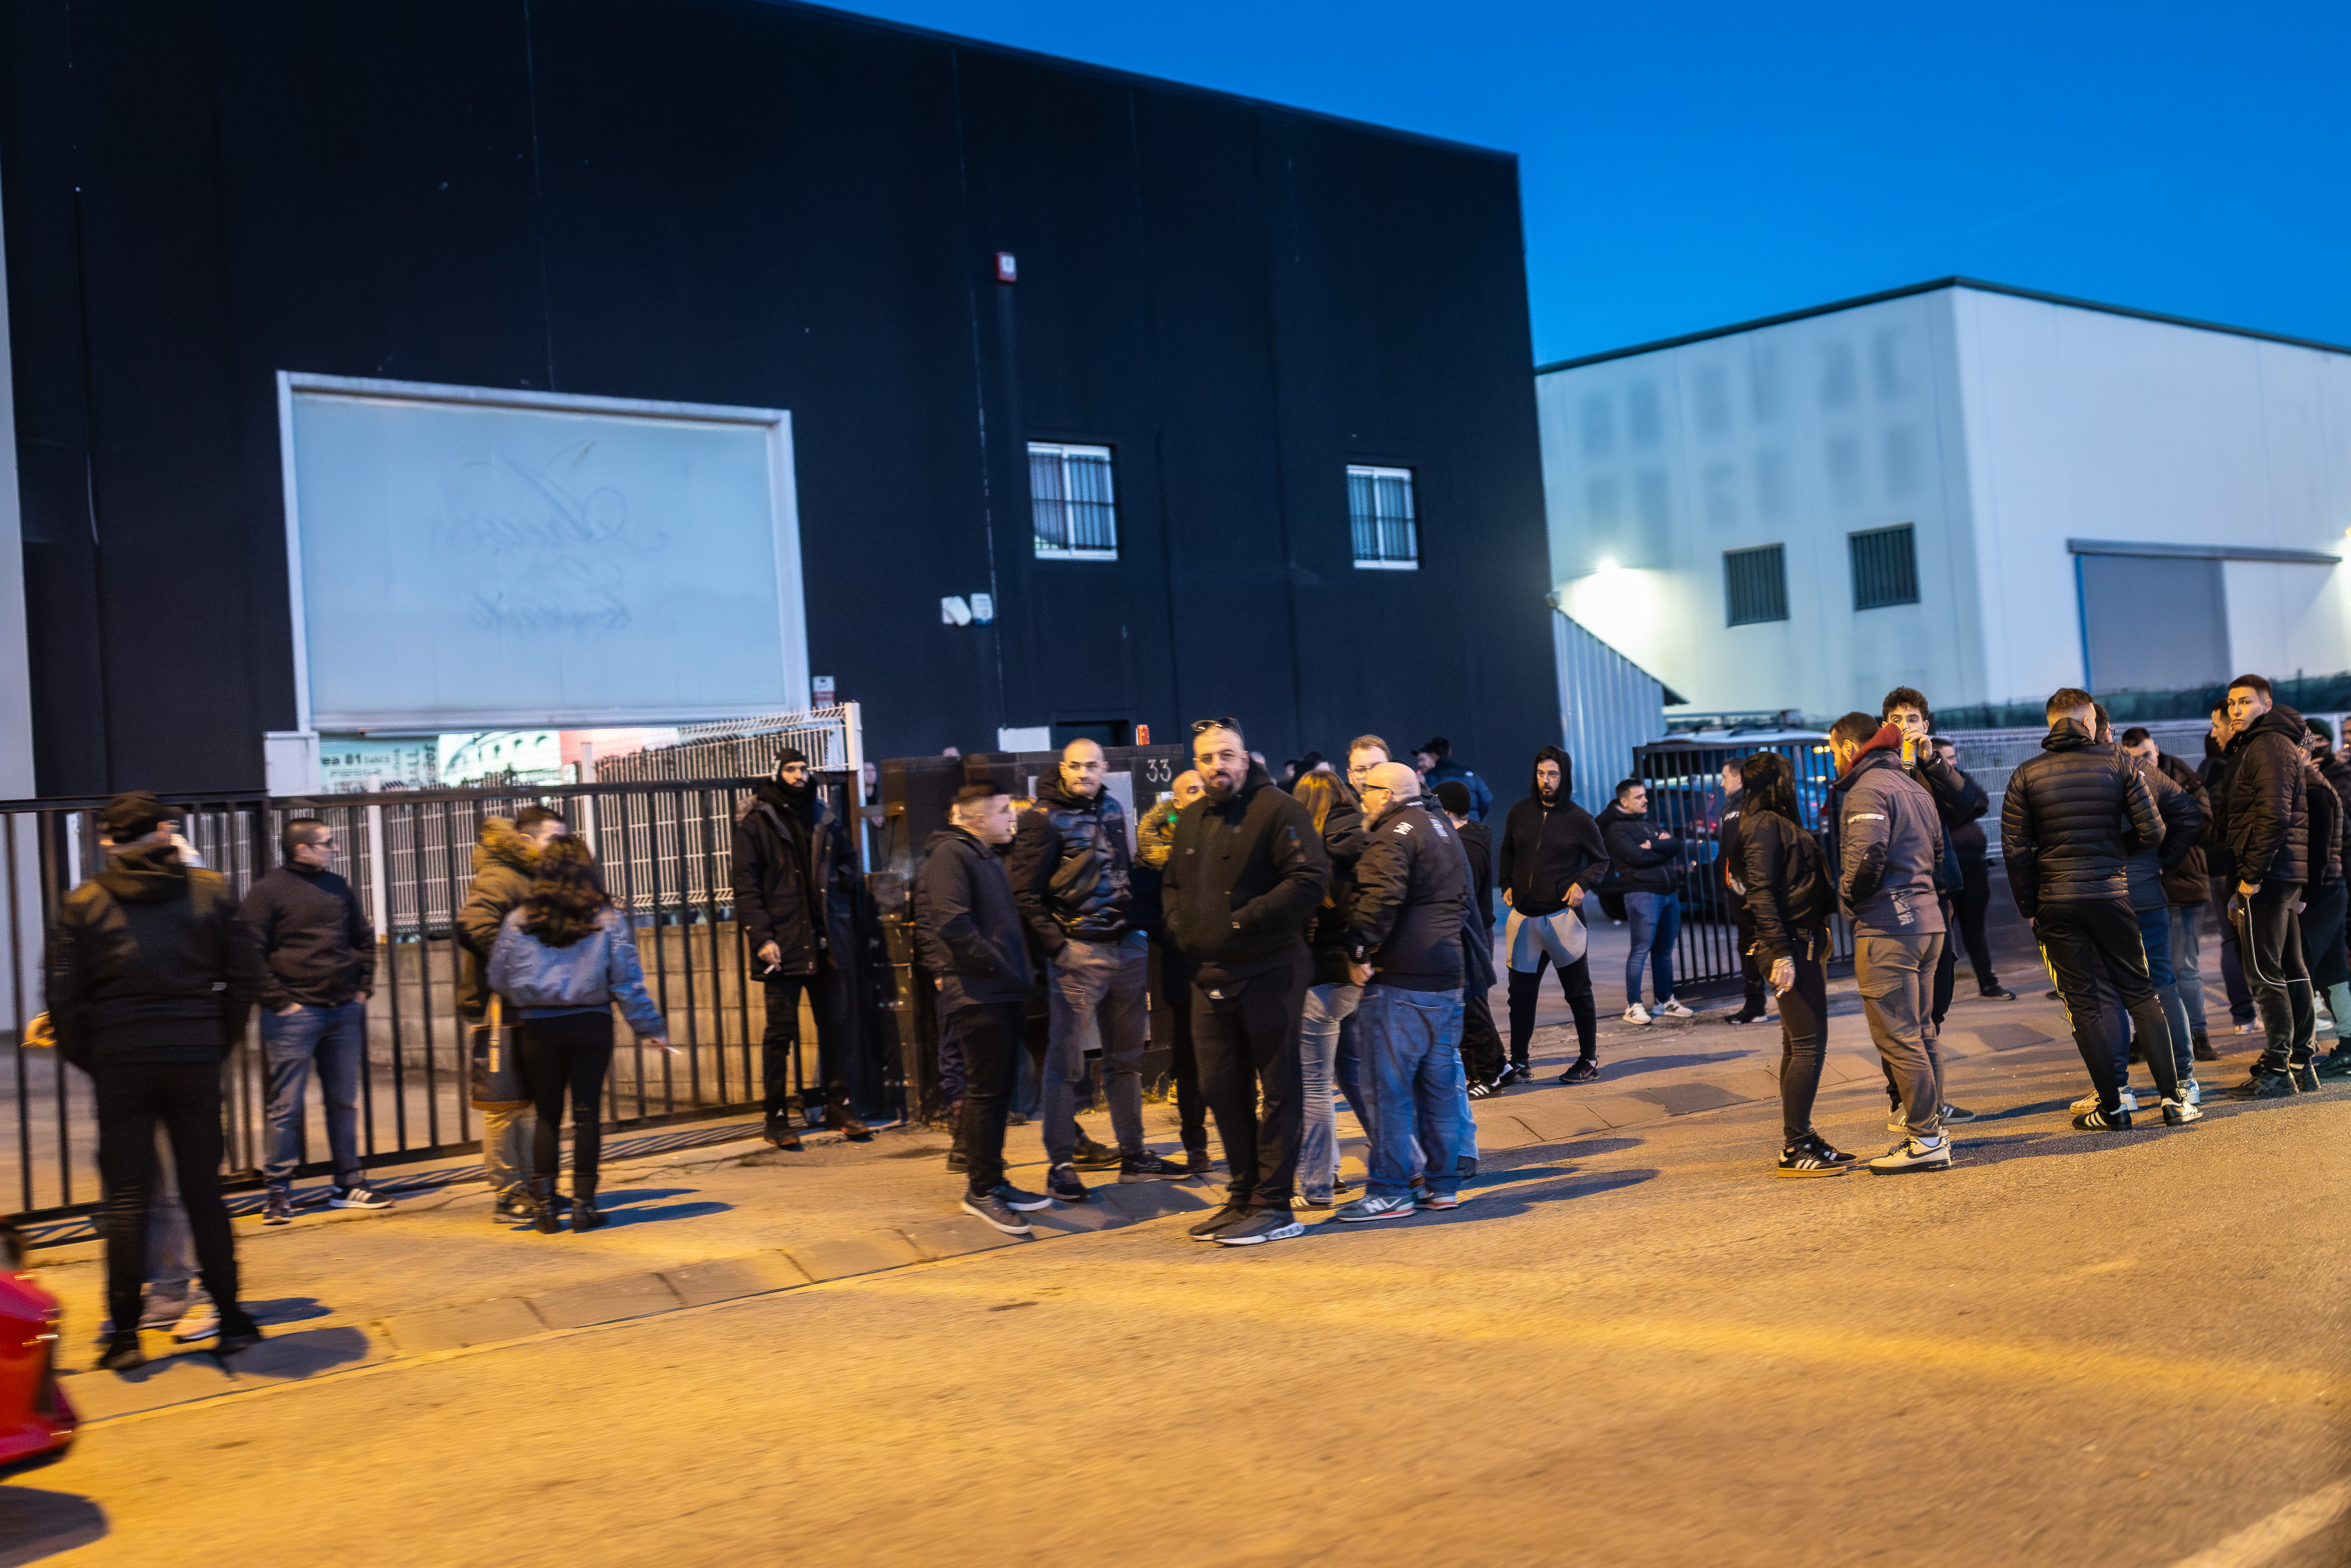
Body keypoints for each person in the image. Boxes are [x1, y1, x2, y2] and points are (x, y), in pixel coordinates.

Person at [46, 793, 266, 1370]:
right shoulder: (211, 890)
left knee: (126, 1197)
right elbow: (246, 977)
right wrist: (219, 1041)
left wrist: (92, 1056)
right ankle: (233, 1318)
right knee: (203, 1191)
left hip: (121, 1056)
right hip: (194, 1051)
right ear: (166, 830)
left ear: (109, 839)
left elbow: (63, 997)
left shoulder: (84, 901)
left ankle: (123, 1334)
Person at [1163, 720, 1331, 1247]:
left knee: (1279, 1089)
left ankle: (1274, 1205)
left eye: (1227, 755)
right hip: (1207, 975)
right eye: (1208, 758)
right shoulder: (1190, 817)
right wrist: (1183, 929)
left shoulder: (1280, 810)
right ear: (1197, 764)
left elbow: (1309, 880)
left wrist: (1240, 920)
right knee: (1219, 1086)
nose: (1218, 766)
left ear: (1246, 758)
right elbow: (1172, 884)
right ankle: (1242, 1196)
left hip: (1271, 969)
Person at [1006, 739, 1191, 1203]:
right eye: (1075, 765)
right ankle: (1061, 1164)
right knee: (1065, 1065)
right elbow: (1023, 893)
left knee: (1126, 1060)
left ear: (1104, 767)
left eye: (1092, 765)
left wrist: (1140, 931)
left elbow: (1123, 870)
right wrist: (1059, 949)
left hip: (1126, 946)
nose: (1084, 772)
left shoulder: (1111, 805)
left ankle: (1134, 1153)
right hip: (1079, 950)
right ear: (1063, 767)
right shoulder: (1041, 817)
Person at [2000, 689, 2190, 1128]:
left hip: (2056, 900)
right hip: (2111, 894)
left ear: (2051, 723)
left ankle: (2113, 1108)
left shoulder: (2025, 774)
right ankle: (2173, 1101)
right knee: (2141, 993)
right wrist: (2111, 855)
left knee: (2084, 1004)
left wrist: (2030, 904)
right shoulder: (2120, 763)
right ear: (2090, 720)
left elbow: (2015, 849)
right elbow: (2154, 830)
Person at [489, 837, 670, 1232]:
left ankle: (545, 1208)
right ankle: (584, 1205)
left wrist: (532, 994)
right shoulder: (606, 918)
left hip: (538, 1026)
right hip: (591, 1023)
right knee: (587, 1114)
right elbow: (627, 981)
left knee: (547, 1116)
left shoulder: (519, 919)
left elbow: (499, 976)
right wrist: (650, 1027)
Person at [1335, 763, 1476, 1220]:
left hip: (1401, 984)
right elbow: (1465, 900)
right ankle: (1442, 1186)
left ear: (1386, 794)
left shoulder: (1393, 834)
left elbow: (1379, 896)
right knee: (1438, 1088)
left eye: (1366, 791)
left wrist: (1358, 949)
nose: (1361, 800)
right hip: (1447, 979)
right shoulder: (1440, 826)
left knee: (1389, 1092)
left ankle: (1390, 1191)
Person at [915, 784, 1054, 1234]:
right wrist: (1001, 968)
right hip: (980, 993)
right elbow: (952, 923)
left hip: (998, 991)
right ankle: (981, 1190)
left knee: (997, 1093)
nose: (1012, 818)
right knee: (985, 1092)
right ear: (977, 820)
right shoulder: (951, 856)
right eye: (1002, 811)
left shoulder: (981, 854)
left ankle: (994, 1180)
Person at [238, 817, 391, 1223]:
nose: (334, 848)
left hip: (343, 1009)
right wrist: (279, 1001)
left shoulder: (338, 886)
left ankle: (348, 1182)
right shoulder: (267, 891)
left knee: (343, 1101)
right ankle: (279, 1190)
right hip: (294, 1013)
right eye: (327, 843)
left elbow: (362, 937)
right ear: (301, 848)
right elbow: (248, 951)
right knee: (286, 1105)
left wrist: (363, 987)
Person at [731, 747, 869, 1150]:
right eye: (791, 769)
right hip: (783, 942)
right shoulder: (756, 820)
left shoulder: (822, 814)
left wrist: (840, 879)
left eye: (804, 768)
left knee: (837, 1025)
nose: (799, 775)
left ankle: (838, 1104)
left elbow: (849, 860)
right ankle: (775, 1115)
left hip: (826, 939)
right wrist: (762, 937)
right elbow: (746, 885)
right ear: (777, 773)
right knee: (780, 1033)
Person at [1735, 753, 1852, 1175]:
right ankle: (1795, 1145)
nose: (1795, 782)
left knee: (1797, 1044)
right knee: (1808, 1045)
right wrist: (1780, 951)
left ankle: (1800, 1134)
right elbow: (1761, 893)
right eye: (1789, 776)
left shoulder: (1769, 822)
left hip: (1803, 940)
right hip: (1793, 944)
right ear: (1776, 781)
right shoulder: (1764, 824)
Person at [458, 807, 572, 1218]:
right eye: (553, 838)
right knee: (506, 1101)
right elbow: (473, 924)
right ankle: (509, 1192)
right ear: (525, 842)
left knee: (534, 1101)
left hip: (534, 1002)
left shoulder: (539, 875)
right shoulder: (501, 875)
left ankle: (535, 1185)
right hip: (504, 1002)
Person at [2212, 676, 2317, 1097]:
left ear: (2266, 703)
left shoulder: (2267, 745)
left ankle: (2278, 1069)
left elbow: (2274, 816)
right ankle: (2299, 1061)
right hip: (2283, 869)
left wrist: (2251, 876)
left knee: (2263, 970)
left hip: (2269, 872)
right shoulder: (2272, 744)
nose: (2236, 710)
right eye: (2233, 703)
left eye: (2246, 702)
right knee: (2289, 966)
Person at [2101, 712, 2205, 1112]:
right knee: (2161, 981)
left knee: (2106, 991)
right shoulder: (2140, 769)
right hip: (2143, 886)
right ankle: (2183, 1081)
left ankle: (2116, 1092)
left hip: (2099, 890)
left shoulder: (2069, 772)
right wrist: (2157, 860)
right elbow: (2189, 814)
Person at [1496, 746, 1607, 1082]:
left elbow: (1601, 860)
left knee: (1578, 993)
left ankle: (1588, 1060)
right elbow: (1508, 851)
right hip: (1524, 920)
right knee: (1521, 996)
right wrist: (1506, 883)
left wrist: (1583, 884)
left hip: (1563, 919)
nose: (1546, 780)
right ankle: (1520, 1062)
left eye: (1553, 774)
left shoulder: (1579, 819)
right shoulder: (1519, 812)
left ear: (1564, 777)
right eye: (1542, 773)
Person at [1292, 771, 1368, 1207]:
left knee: (1314, 1085)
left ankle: (1320, 1183)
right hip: (1358, 973)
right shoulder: (1363, 839)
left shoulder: (1308, 849)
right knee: (1360, 1077)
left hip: (1320, 976)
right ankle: (1411, 1165)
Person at [2122, 728, 2219, 1067]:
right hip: (2143, 885)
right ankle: (2145, 1037)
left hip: (2180, 884)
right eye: (2133, 758)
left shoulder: (2178, 774)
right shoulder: (2123, 776)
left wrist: (2165, 859)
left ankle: (2198, 1036)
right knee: (2143, 969)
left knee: (2183, 967)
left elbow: (2201, 819)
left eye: (2146, 756)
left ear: (2157, 750)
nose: (2141, 764)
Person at [1135, 769, 1211, 1170]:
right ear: (1176, 803)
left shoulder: (1229, 836)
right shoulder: (1156, 855)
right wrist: (1180, 930)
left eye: (1205, 788)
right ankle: (1195, 1141)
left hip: (1228, 966)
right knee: (1189, 1056)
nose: (1202, 795)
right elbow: (1147, 910)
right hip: (1185, 969)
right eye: (1192, 790)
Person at [1923, 736, 2013, 1001]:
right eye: (1948, 758)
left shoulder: (1961, 778)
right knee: (1944, 933)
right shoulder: (1928, 784)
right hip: (1944, 869)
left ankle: (1988, 982)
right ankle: (1942, 991)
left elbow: (1981, 802)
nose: (1954, 763)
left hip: (1974, 866)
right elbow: (1940, 815)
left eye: (1954, 757)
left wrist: (1959, 811)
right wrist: (1962, 811)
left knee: (1975, 928)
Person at [1597, 780, 1692, 1024]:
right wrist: (1659, 847)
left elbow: (1676, 845)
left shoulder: (1648, 823)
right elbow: (1637, 857)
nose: (1645, 800)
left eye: (1645, 796)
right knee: (1640, 950)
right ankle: (1634, 1005)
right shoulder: (1617, 830)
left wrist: (1655, 844)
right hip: (1642, 894)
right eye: (1639, 797)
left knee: (1664, 951)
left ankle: (1665, 1001)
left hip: (1668, 893)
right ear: (1624, 801)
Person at [1435, 780, 1507, 1091]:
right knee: (1475, 1001)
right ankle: (1501, 1065)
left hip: (1470, 932)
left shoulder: (1464, 846)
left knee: (1470, 1004)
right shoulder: (1472, 837)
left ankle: (1486, 1075)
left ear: (1446, 809)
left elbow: (1462, 896)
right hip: (1478, 929)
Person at [2200, 706, 2259, 1035]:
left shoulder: (2206, 770)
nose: (2212, 732)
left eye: (2215, 725)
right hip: (2234, 866)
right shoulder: (2231, 768)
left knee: (2230, 939)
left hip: (2218, 865)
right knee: (2243, 939)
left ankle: (2243, 1016)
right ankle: (2254, 1013)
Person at [2297, 731, 2349, 1054]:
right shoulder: (2314, 783)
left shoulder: (2313, 788)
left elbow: (2318, 849)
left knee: (2301, 968)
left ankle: (2301, 1048)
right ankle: (2348, 1046)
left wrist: (2304, 893)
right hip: (2331, 887)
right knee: (2333, 971)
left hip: (2322, 890)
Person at [1713, 756, 1769, 1026]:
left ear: (1739, 778)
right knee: (1749, 946)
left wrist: (1743, 885)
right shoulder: (1732, 806)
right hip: (1739, 889)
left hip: (1749, 891)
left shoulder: (1746, 807)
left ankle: (1757, 1005)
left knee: (1757, 946)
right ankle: (1755, 1003)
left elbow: (1743, 853)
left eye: (1725, 777)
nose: (1722, 783)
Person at [1415, 737, 1493, 822]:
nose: (1419, 764)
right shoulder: (1470, 774)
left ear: (1434, 755)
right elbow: (1487, 799)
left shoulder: (1431, 777)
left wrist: (1422, 786)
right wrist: (1475, 817)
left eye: (1422, 760)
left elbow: (1427, 803)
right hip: (1472, 825)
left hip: (1446, 827)